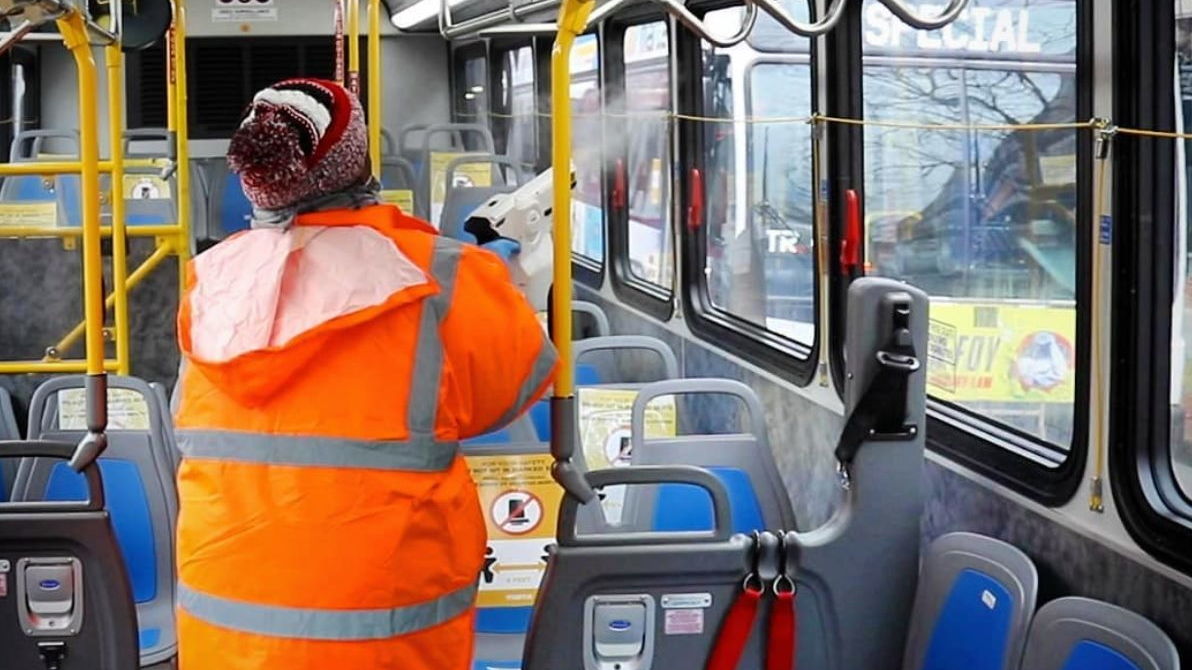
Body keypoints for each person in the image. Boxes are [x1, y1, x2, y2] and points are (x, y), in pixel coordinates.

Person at [171, 78, 557, 670]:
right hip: (386, 631)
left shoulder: (209, 281)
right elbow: (509, 396)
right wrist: (498, 285)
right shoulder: (447, 279)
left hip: (226, 627)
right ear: (356, 162)